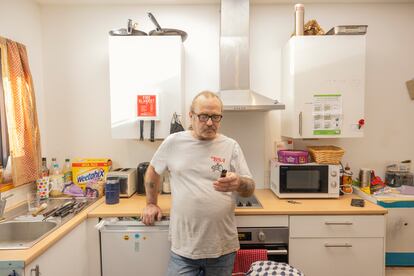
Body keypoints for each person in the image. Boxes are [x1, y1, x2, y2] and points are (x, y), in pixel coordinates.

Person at [142, 91, 255, 276]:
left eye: (215, 117)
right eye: (203, 116)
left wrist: (239, 183)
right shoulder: (174, 142)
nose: (210, 122)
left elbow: (249, 187)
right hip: (184, 250)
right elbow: (153, 171)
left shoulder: (230, 146)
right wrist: (151, 203)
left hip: (222, 249)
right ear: (191, 115)